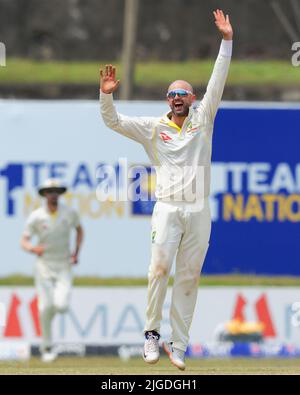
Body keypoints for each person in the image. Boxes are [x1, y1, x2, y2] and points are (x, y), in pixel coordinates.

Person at [99, 9, 233, 370]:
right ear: (166, 99)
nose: (177, 98)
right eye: (172, 93)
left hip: (199, 210)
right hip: (168, 207)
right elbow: (112, 122)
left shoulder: (203, 119)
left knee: (189, 276)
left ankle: (180, 344)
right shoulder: (152, 127)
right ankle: (151, 335)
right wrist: (107, 95)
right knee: (158, 270)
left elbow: (218, 81)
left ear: (192, 100)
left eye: (184, 94)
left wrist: (226, 41)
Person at [21, 179, 83, 362]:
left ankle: (47, 327)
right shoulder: (36, 216)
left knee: (61, 306)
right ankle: (47, 347)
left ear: (59, 194)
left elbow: (80, 231)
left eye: (56, 191)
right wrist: (33, 248)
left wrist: (76, 252)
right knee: (45, 307)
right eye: (49, 191)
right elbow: (23, 240)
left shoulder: (69, 213)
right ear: (45, 194)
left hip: (63, 263)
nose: (53, 194)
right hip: (44, 266)